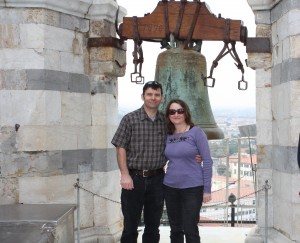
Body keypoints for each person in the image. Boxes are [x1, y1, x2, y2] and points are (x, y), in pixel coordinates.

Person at [111, 81, 166, 243]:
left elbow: (177, 143)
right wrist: (125, 175)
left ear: (161, 98)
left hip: (157, 179)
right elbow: (120, 147)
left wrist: (196, 155)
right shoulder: (130, 119)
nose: (153, 98)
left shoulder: (165, 121)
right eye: (149, 94)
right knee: (130, 226)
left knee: (153, 226)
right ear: (143, 96)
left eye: (157, 95)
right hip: (133, 179)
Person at [163, 99, 213, 243]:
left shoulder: (196, 132)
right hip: (170, 187)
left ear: (186, 113)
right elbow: (165, 159)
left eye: (180, 111)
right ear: (168, 115)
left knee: (190, 228)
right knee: (175, 228)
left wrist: (207, 190)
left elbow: (208, 161)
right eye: (172, 111)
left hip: (192, 188)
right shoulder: (168, 135)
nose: (176, 114)